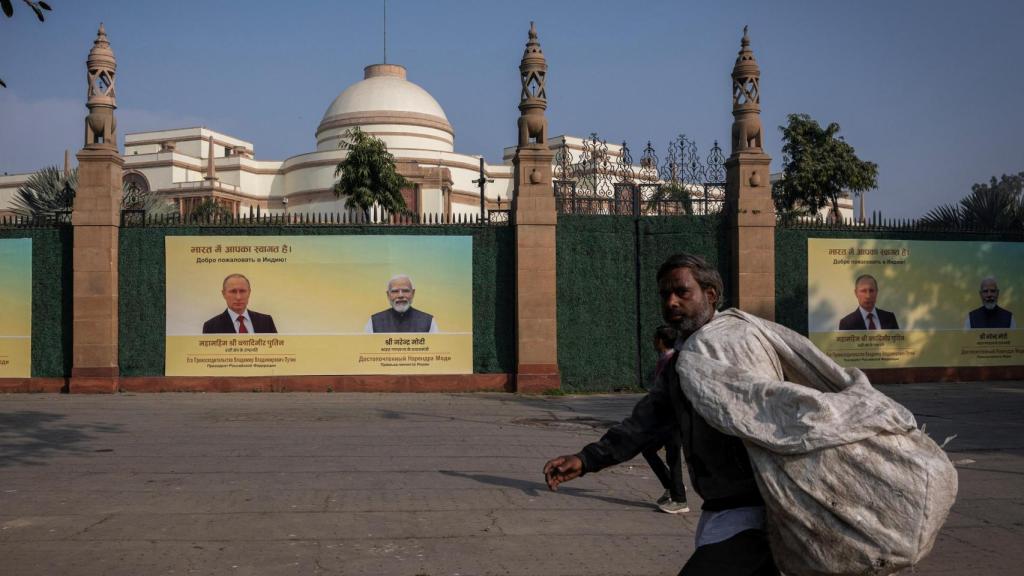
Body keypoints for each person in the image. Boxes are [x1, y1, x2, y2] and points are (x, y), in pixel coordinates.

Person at [543, 253, 779, 575]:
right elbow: (643, 423)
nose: (671, 302)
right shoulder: (682, 362)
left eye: (682, 292)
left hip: (756, 514)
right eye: (664, 294)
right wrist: (586, 459)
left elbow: (776, 416)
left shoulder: (738, 344)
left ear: (710, 295)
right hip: (721, 511)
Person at [641, 325, 688, 514]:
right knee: (651, 450)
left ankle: (680, 500)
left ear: (660, 340)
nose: (653, 342)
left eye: (655, 338)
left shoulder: (671, 361)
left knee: (673, 456)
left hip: (673, 418)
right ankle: (673, 487)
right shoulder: (666, 359)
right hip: (666, 418)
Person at [202, 273, 277, 334]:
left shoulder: (266, 322)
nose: (238, 297)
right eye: (233, 291)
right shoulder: (211, 327)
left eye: (242, 291)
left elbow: (277, 351)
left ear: (249, 292)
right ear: (223, 294)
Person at [364, 274, 439, 333]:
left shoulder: (428, 321)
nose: (400, 295)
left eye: (405, 291)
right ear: (388, 295)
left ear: (413, 293)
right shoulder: (374, 322)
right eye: (395, 291)